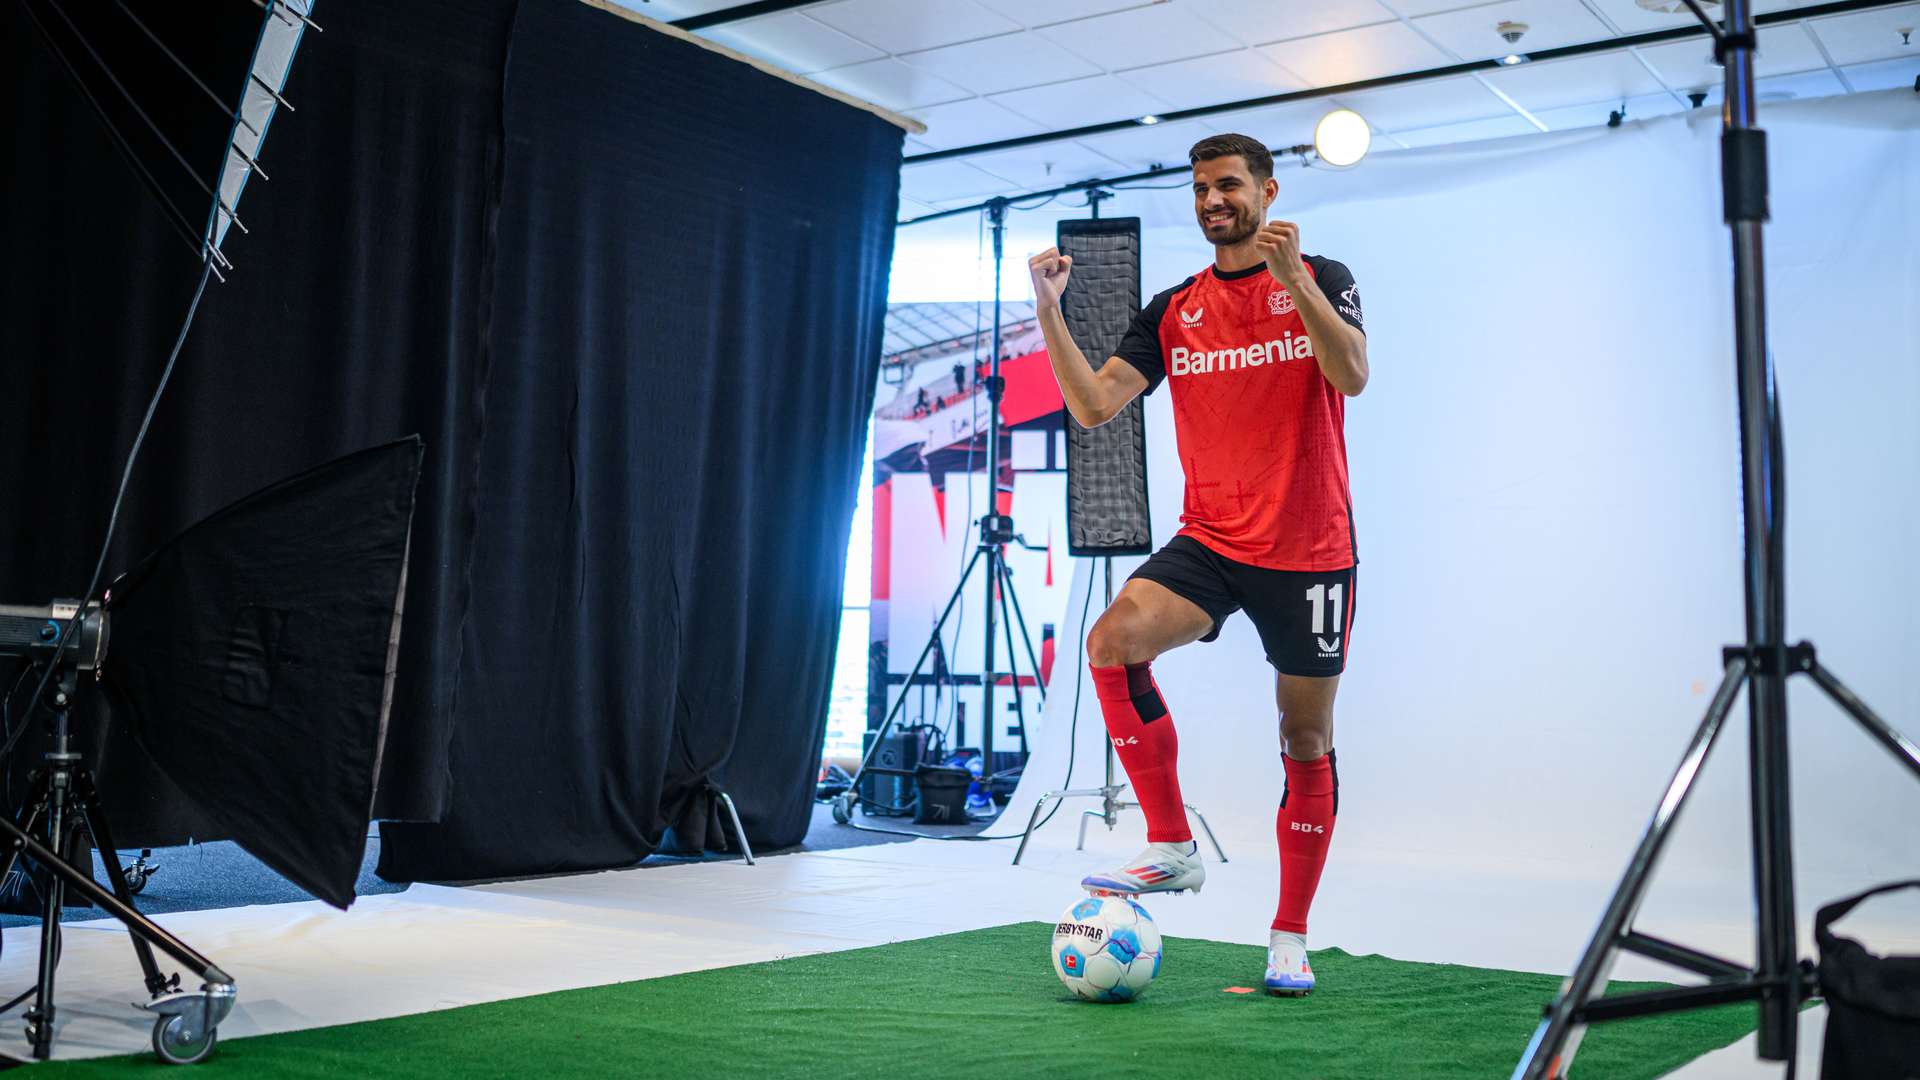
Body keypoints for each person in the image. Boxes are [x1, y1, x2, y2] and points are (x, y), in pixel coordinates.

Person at [1028, 133, 1368, 996]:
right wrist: (1049, 313)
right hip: (1212, 538)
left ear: (1266, 189)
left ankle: (1289, 935)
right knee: (1111, 642)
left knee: (1305, 737)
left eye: (1228, 185)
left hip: (1309, 549)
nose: (1213, 200)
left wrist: (1293, 285)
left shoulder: (1321, 276)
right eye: (1201, 189)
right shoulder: (1176, 308)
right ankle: (1172, 845)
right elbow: (1094, 404)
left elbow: (1352, 374)